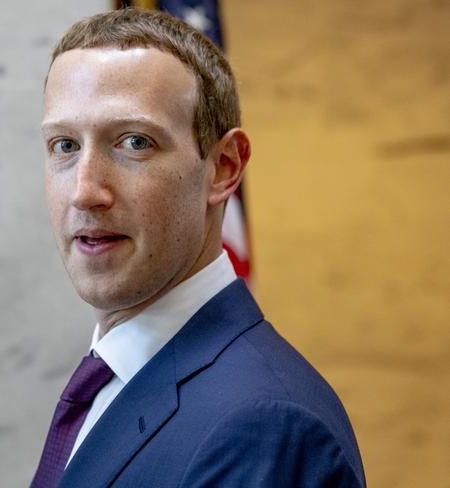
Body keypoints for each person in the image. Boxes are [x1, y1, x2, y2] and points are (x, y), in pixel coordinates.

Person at [32, 7, 365, 488]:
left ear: (224, 167)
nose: (85, 191)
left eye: (134, 142)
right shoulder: (109, 382)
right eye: (64, 145)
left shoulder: (264, 427)